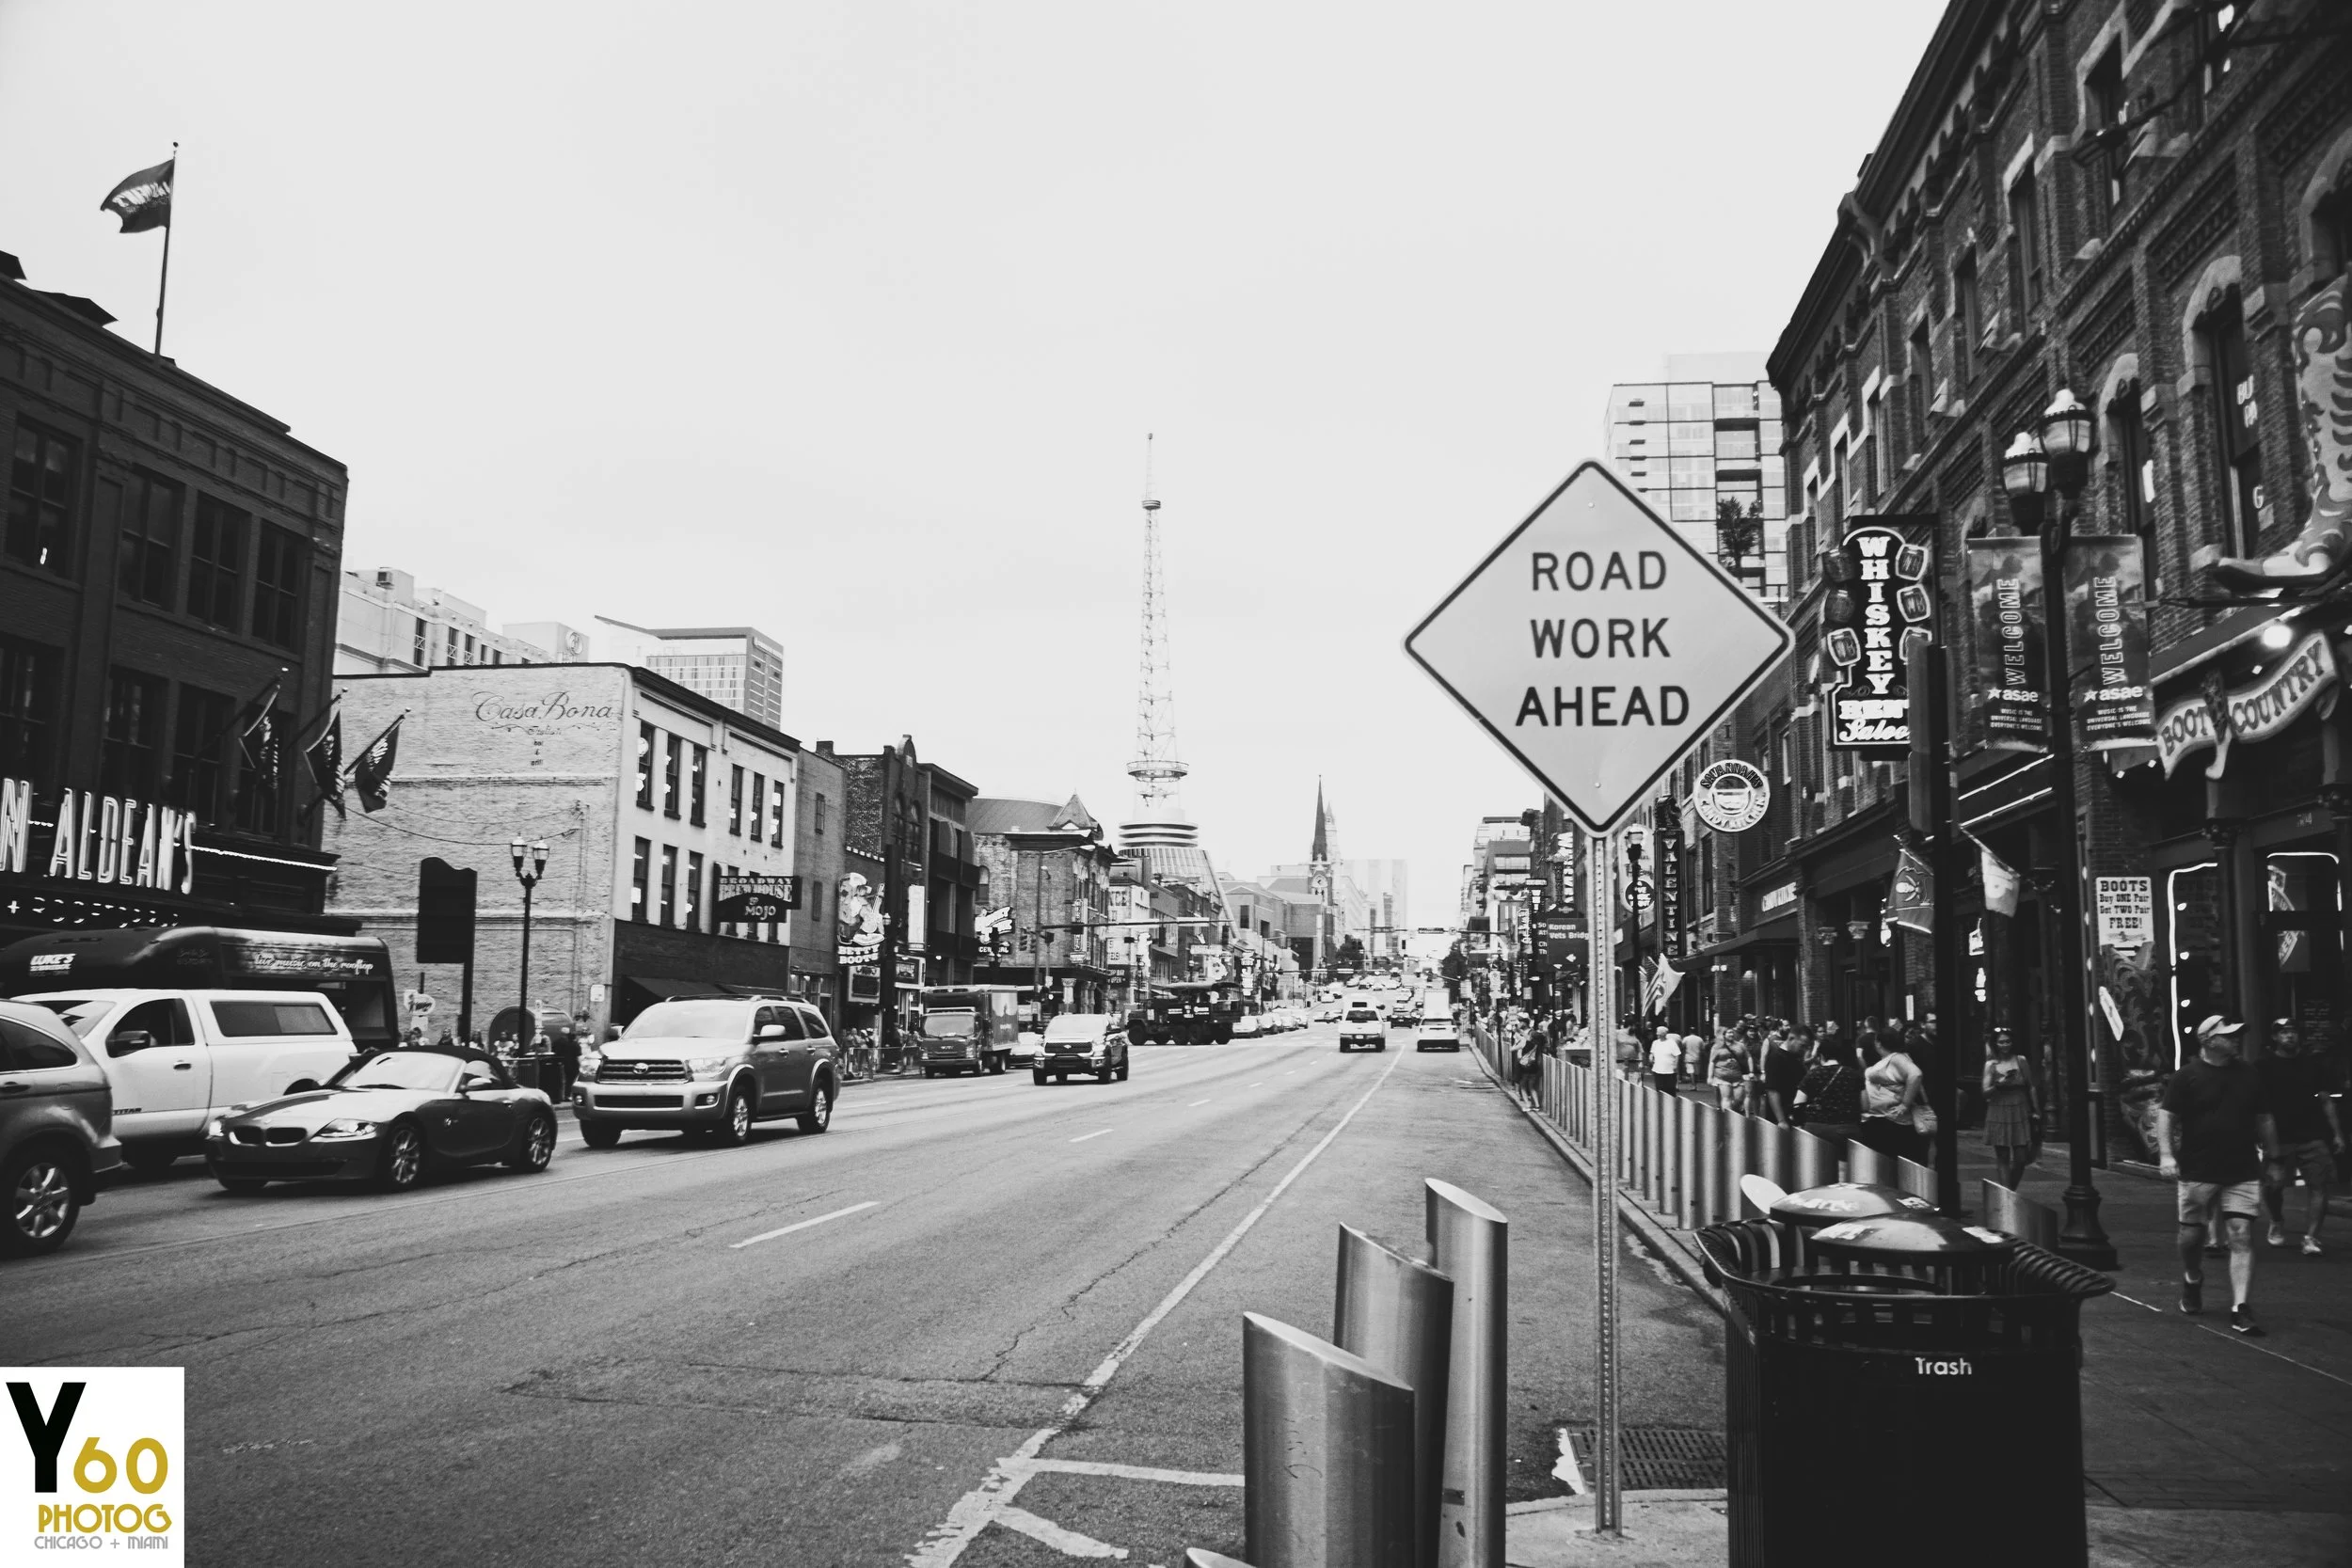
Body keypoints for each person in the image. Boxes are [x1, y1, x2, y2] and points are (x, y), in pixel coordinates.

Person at [2156, 1015, 2281, 1335]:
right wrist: (2167, 1155)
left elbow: (2264, 1117)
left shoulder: (2249, 1074)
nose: (2236, 1039)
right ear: (2208, 1040)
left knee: (2241, 1233)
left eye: (2237, 1034)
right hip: (2198, 1168)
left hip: (2242, 1168)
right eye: (2229, 1035)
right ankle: (2192, 1277)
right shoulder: (2187, 1076)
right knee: (2191, 1236)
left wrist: (2274, 1157)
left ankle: (2240, 1306)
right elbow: (2167, 1117)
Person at [2257, 1016, 2343, 1255]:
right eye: (2283, 1032)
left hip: (2313, 1134)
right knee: (2273, 1186)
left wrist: (2337, 1134)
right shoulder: (2263, 1066)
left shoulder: (2313, 1064)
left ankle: (2311, 1237)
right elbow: (2257, 1106)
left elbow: (2325, 1100)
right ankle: (2276, 1220)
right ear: (2275, 1037)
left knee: (2319, 1185)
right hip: (2279, 1137)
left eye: (2293, 1031)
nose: (2289, 1035)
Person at [1979, 1027, 2041, 1190]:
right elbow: (1985, 1092)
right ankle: (2006, 1194)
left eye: (2008, 1041)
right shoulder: (1990, 1065)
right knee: (2003, 1156)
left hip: (2019, 1107)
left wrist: (2036, 1110)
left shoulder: (2020, 1060)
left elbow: (2031, 1086)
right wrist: (1999, 1084)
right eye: (2001, 1042)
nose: (2005, 1045)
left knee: (2021, 1157)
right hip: (1999, 1108)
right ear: (1995, 1044)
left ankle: (2008, 1191)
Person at [1859, 1029, 1929, 1161]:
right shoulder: (1891, 1059)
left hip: (1893, 1123)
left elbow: (1916, 1074)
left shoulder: (1897, 1058)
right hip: (1883, 1120)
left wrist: (1905, 1104)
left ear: (1878, 1043)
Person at [1791, 1035, 1865, 1147]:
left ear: (1821, 1056)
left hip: (1815, 1130)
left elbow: (1798, 1103)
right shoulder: (1854, 1074)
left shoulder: (1812, 1074)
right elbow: (1865, 1106)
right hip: (1847, 1130)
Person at [1760, 1027, 1809, 1125]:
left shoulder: (1796, 1057)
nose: (1804, 1050)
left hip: (1794, 1114)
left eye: (1806, 1047)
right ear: (1791, 1038)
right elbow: (1772, 1091)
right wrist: (1781, 1120)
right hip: (1781, 1116)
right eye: (1802, 1046)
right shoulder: (1776, 1057)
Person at [1710, 1027, 1754, 1113]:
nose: (1731, 1034)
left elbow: (1749, 1057)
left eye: (1732, 1032)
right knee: (1726, 1098)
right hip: (1722, 1076)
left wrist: (1751, 1071)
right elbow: (1712, 1062)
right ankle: (1727, 1117)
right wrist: (1710, 1077)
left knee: (1739, 1099)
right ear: (1724, 1035)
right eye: (1729, 1033)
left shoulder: (1740, 1045)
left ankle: (1732, 1112)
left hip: (1737, 1076)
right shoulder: (1717, 1047)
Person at [1648, 1029, 1681, 1097]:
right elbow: (1652, 1052)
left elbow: (1677, 1055)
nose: (1657, 1034)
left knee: (1670, 1089)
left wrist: (1675, 1065)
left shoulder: (1671, 1043)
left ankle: (1671, 1101)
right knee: (1659, 1088)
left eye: (1659, 1033)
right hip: (1658, 1069)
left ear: (1663, 1034)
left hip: (1669, 1070)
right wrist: (1651, 1057)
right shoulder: (1655, 1042)